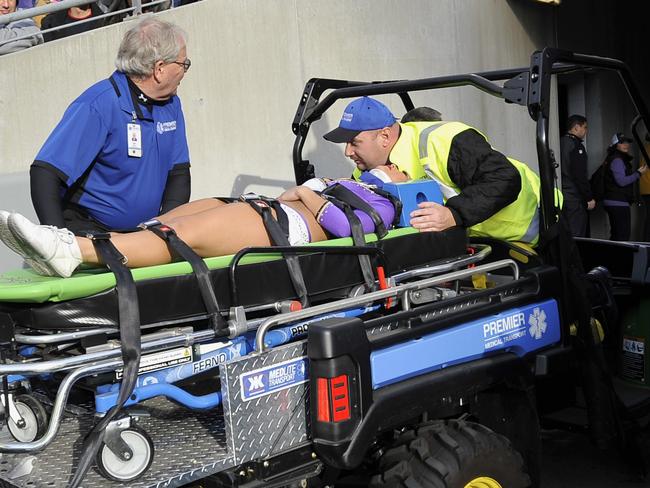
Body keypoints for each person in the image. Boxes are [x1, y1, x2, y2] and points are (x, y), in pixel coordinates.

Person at [0, 165, 406, 278]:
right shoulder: (351, 182)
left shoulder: (386, 202)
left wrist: (304, 193)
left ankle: (72, 250)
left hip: (286, 229)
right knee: (161, 223)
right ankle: (81, 250)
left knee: (182, 236)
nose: (352, 151)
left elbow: (346, 228)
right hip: (269, 212)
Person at [30, 16, 191, 235]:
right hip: (92, 232)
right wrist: (59, 241)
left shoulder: (171, 104)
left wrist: (166, 230)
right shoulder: (98, 104)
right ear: (159, 68)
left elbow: (178, 175)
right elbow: (45, 172)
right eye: (183, 64)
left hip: (142, 235)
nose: (185, 71)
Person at [324, 96, 541, 245]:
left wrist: (454, 214)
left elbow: (505, 178)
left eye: (354, 142)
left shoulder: (443, 139)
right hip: (478, 243)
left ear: (384, 137)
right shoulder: (365, 173)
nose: (347, 152)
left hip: (535, 225)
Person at [602, 133, 647, 241]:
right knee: (622, 237)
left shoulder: (615, 158)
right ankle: (619, 258)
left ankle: (613, 257)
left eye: (627, 142)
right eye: (622, 142)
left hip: (615, 201)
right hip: (617, 202)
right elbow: (621, 182)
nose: (626, 144)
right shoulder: (617, 160)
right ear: (615, 145)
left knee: (617, 236)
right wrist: (638, 174)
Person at [560, 115, 594, 237]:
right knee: (577, 234)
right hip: (574, 197)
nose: (586, 131)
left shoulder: (560, 142)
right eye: (584, 127)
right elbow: (579, 174)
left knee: (566, 233)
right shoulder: (576, 146)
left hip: (562, 195)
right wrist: (588, 198)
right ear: (575, 128)